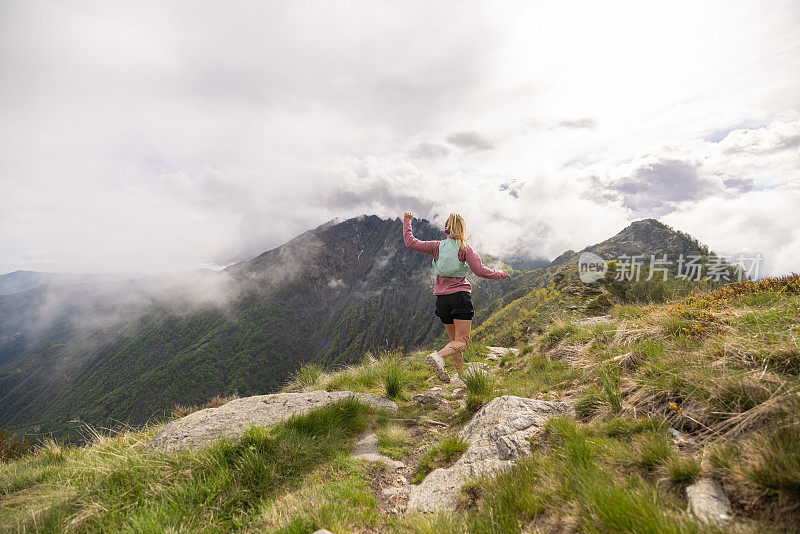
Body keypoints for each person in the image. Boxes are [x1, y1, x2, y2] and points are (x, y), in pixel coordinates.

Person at [403, 211, 509, 383]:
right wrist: (501, 274)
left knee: (454, 341)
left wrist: (407, 221)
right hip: (460, 297)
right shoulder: (466, 249)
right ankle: (438, 356)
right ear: (463, 229)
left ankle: (460, 375)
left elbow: (410, 242)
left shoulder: (436, 246)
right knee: (463, 342)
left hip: (442, 300)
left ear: (446, 228)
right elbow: (481, 271)